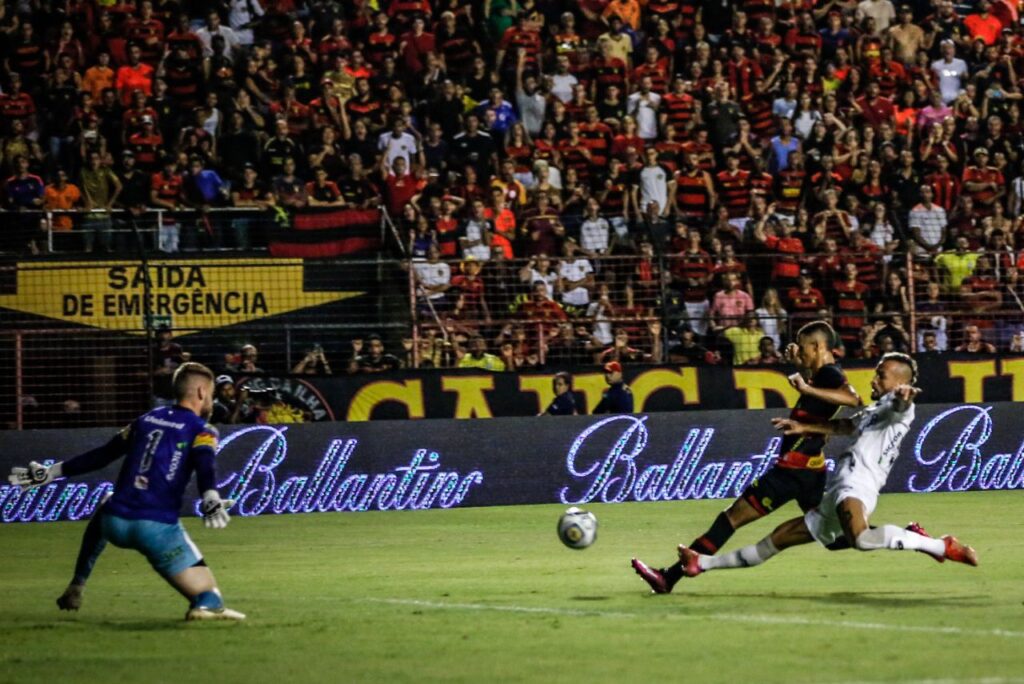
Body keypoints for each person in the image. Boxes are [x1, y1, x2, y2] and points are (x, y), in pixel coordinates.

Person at [675, 353, 978, 579]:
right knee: (774, 541)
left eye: (881, 375)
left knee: (860, 539)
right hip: (835, 491)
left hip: (857, 485)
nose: (874, 379)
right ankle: (700, 564)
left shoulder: (897, 409)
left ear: (900, 382)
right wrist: (801, 426)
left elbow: (902, 407)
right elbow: (844, 427)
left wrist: (903, 398)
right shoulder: (875, 409)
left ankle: (940, 546)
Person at [632, 320, 861, 594]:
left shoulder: (830, 374)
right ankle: (904, 537)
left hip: (792, 471)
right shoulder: (821, 374)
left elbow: (852, 398)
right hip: (810, 470)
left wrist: (806, 389)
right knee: (832, 536)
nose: (799, 352)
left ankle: (669, 577)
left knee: (731, 518)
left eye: (802, 348)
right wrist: (800, 368)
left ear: (817, 346)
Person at [6, 363, 245, 620]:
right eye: (210, 395)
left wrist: (50, 473)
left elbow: (102, 455)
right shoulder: (203, 429)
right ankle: (204, 607)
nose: (210, 401)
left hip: (115, 523)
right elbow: (205, 461)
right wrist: (210, 494)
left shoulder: (145, 420)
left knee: (108, 501)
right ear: (200, 392)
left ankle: (78, 584)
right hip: (156, 529)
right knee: (209, 596)